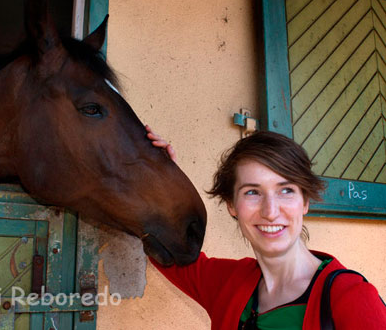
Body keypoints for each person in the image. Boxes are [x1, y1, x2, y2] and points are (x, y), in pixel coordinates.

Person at [145, 125, 386, 330]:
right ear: (231, 205)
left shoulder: (352, 298)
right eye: (252, 192)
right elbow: (162, 243)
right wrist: (160, 176)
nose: (270, 212)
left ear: (305, 202)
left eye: (286, 190)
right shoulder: (225, 282)